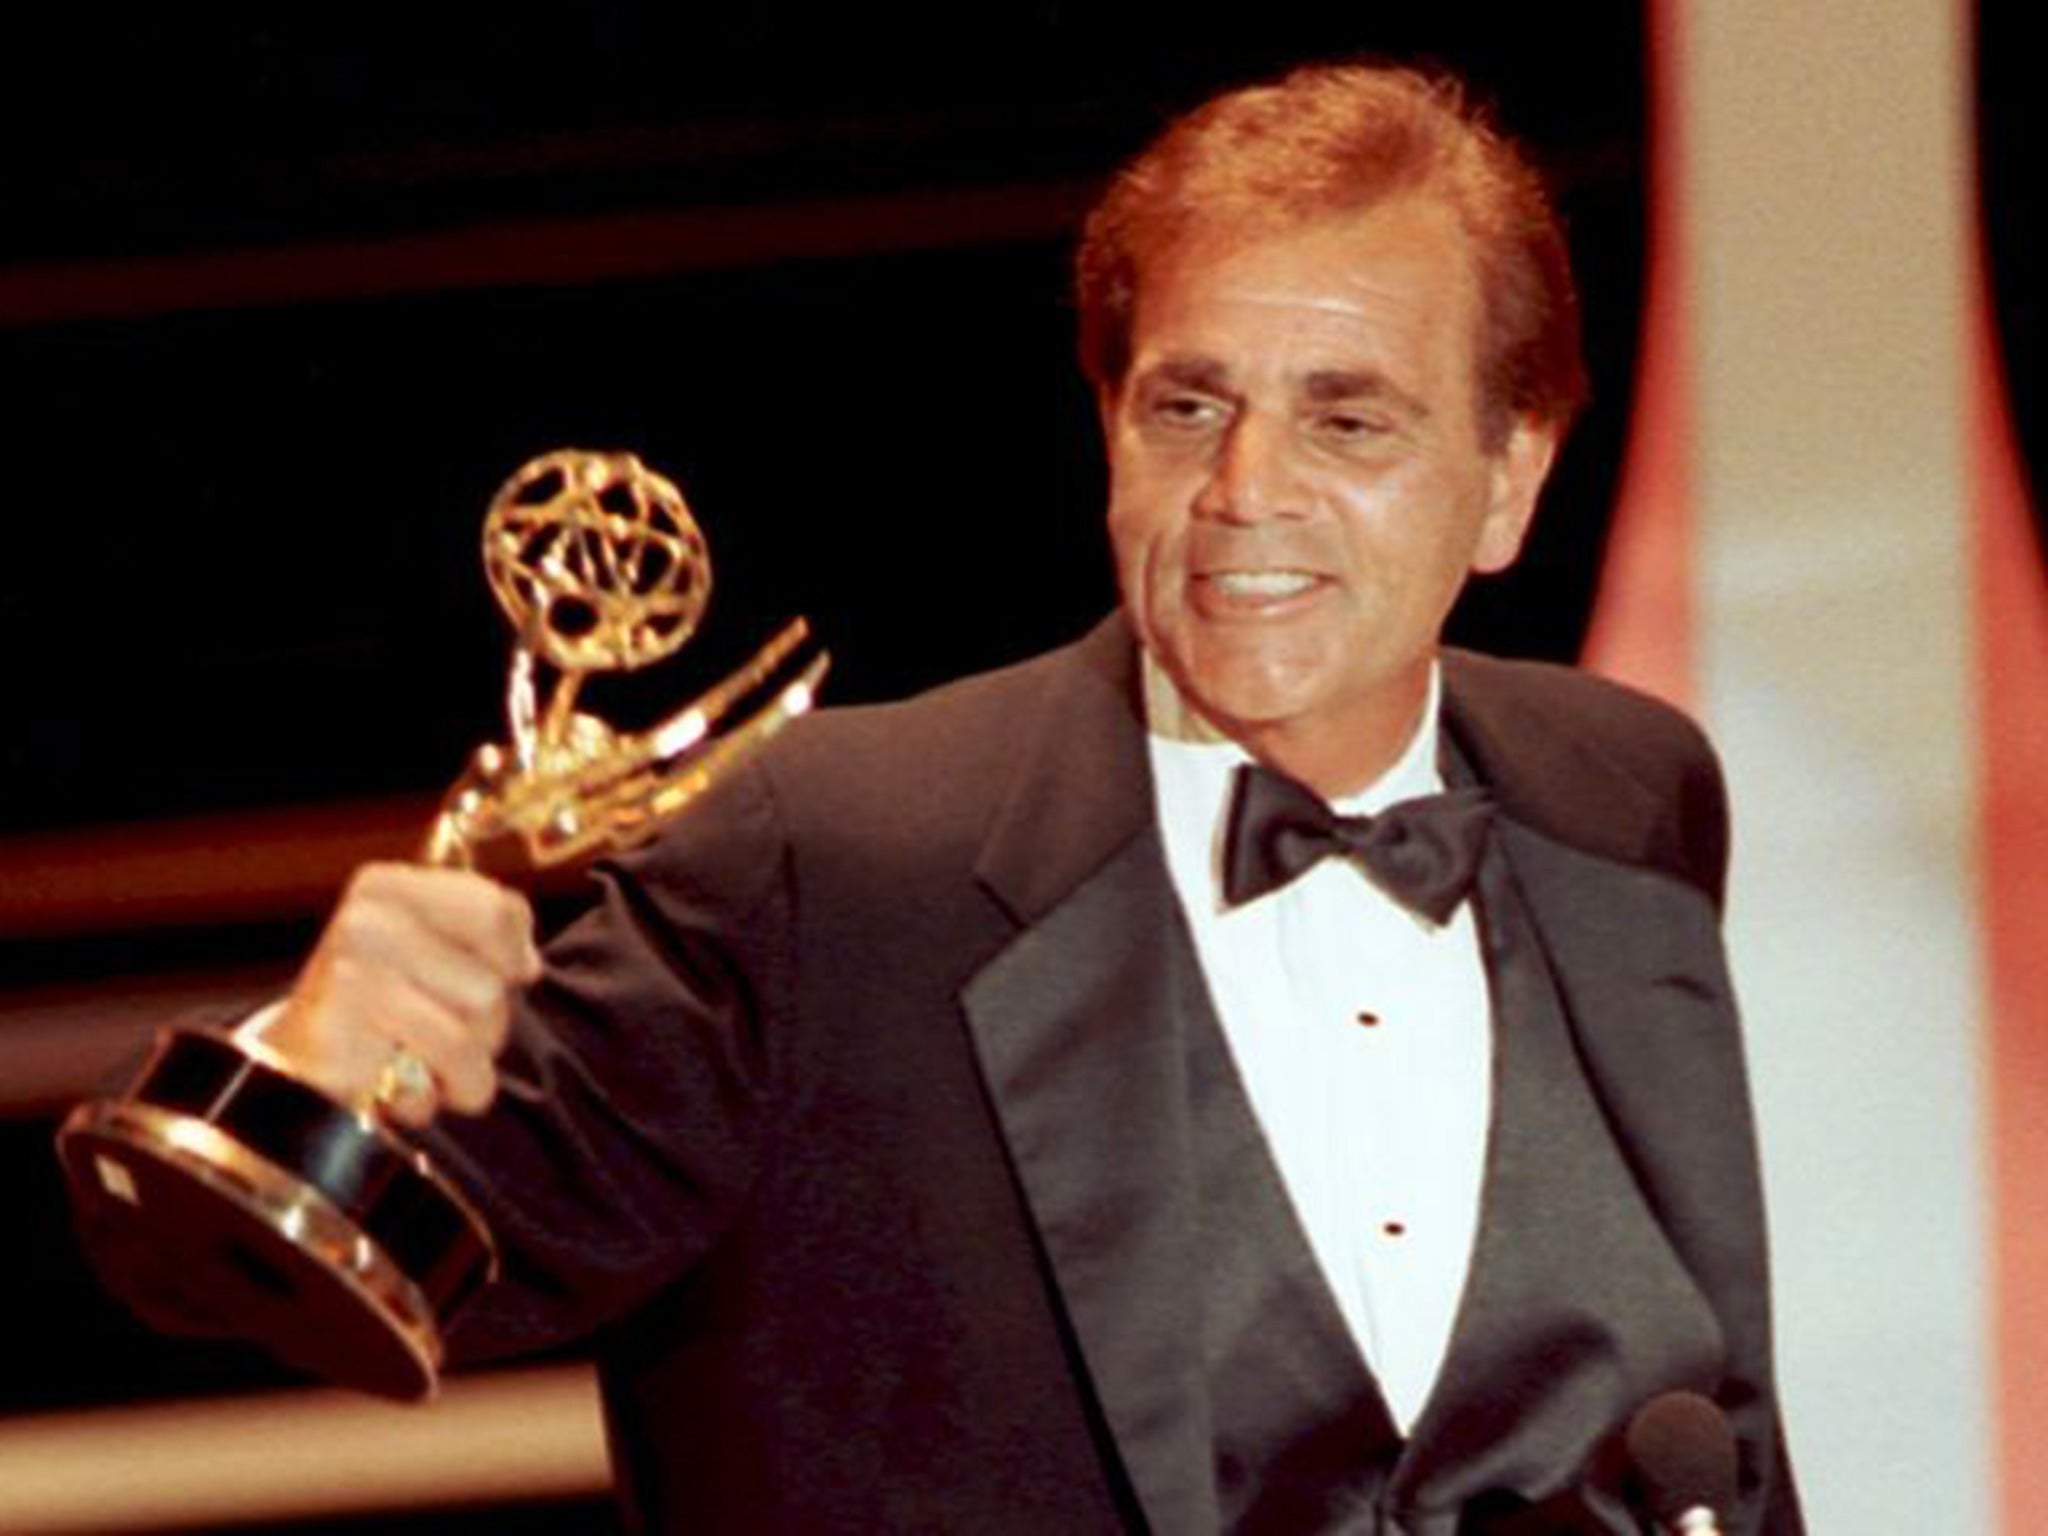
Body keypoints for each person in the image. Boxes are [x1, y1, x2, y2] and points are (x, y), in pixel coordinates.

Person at [248, 63, 1800, 1534]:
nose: (1246, 489)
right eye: (1187, 408)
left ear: (1512, 478)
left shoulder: (1626, 793)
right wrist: (303, 1089)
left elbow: (1712, 1423)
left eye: (1349, 418)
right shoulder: (836, 857)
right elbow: (385, 1259)